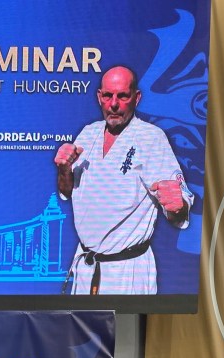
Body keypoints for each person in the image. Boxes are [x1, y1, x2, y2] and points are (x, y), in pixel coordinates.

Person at [55, 65, 194, 294]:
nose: (114, 104)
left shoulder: (151, 138)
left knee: (127, 320)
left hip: (127, 271)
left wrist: (178, 206)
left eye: (122, 96)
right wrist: (63, 170)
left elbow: (177, 204)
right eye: (108, 96)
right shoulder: (88, 134)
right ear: (99, 97)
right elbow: (68, 191)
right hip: (86, 265)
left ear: (136, 98)